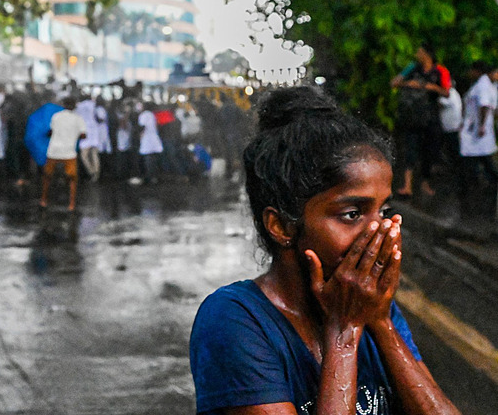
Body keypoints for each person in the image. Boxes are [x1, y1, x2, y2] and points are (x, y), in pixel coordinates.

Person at [189, 86, 460, 415]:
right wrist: (344, 331)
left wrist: (379, 322)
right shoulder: (235, 320)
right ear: (283, 226)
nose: (381, 230)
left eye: (384, 212)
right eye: (352, 214)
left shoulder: (369, 304)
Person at [391, 43, 450, 197]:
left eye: (420, 51)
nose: (417, 54)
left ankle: (425, 183)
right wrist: (408, 84)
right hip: (412, 115)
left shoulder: (440, 71)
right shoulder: (412, 68)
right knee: (411, 148)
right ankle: (407, 185)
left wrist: (430, 87)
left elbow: (446, 92)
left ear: (427, 54)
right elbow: (394, 83)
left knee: (429, 151)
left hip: (430, 116)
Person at [458, 61, 498, 212]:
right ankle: (482, 189)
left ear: (477, 71)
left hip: (476, 134)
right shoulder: (484, 84)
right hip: (476, 135)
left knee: (473, 164)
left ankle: (474, 196)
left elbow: (484, 105)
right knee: (482, 162)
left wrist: (481, 125)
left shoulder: (483, 85)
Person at [40, 97, 86, 212]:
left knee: (47, 176)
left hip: (53, 151)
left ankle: (44, 200)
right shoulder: (78, 118)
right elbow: (84, 135)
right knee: (72, 178)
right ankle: (71, 204)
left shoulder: (56, 116)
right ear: (74, 106)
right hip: (69, 152)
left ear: (63, 104)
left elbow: (51, 131)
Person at [76, 94, 101, 182]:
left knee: (84, 156)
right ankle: (96, 173)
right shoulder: (93, 104)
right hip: (94, 132)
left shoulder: (78, 107)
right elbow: (98, 118)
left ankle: (91, 171)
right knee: (94, 154)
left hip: (85, 132)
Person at [137, 101, 164, 184]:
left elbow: (142, 127)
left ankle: (149, 177)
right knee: (153, 159)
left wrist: (139, 135)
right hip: (153, 138)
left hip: (147, 139)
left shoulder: (143, 115)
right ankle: (154, 177)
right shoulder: (152, 115)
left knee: (148, 159)